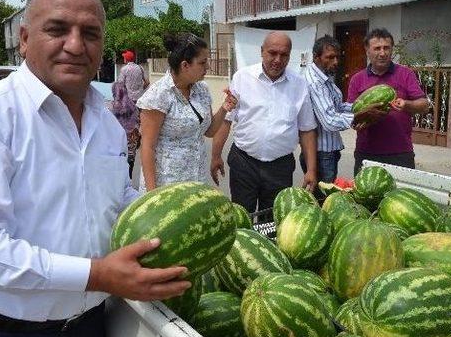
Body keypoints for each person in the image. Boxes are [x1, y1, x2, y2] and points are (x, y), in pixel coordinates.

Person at [0, 0, 190, 337]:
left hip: (91, 335)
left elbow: (115, 198)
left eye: (90, 33)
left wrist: (177, 216)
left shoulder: (105, 122)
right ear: (24, 38)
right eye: (57, 29)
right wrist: (97, 274)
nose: (75, 44)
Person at [210, 31, 318, 217]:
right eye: (272, 53)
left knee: (273, 222)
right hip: (244, 163)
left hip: (280, 167)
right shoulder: (242, 78)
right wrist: (215, 156)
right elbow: (226, 120)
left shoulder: (299, 85)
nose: (277, 60)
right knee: (242, 218)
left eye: (284, 55)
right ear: (262, 51)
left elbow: (307, 130)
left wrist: (311, 170)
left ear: (289, 55)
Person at [137, 32, 237, 192]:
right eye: (203, 62)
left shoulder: (201, 90)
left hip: (195, 181)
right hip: (166, 186)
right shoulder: (158, 95)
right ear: (185, 65)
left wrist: (225, 107)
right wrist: (152, 194)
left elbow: (209, 131)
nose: (208, 67)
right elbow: (147, 146)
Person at [302, 35, 381, 193]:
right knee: (325, 200)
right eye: (330, 57)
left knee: (325, 198)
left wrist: (360, 106)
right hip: (321, 153)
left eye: (337, 57)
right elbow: (330, 121)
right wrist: (360, 115)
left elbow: (337, 106)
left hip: (329, 150)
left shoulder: (325, 76)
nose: (336, 62)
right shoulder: (314, 82)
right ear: (316, 57)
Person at [347, 28, 430, 176]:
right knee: (365, 196)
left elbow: (424, 105)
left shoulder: (406, 74)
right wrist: (366, 115)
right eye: (377, 48)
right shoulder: (357, 80)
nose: (382, 53)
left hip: (400, 152)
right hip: (366, 152)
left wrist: (406, 104)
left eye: (386, 48)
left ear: (392, 50)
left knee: (403, 197)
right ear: (367, 50)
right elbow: (350, 116)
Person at [110, 80, 140, 178]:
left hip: (117, 143)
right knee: (130, 163)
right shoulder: (133, 106)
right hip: (131, 141)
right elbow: (138, 123)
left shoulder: (111, 107)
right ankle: (129, 180)